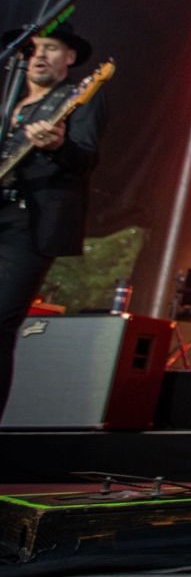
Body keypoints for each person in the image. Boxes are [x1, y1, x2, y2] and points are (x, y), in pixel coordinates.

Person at [0, 26, 104, 419]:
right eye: (33, 48)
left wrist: (59, 145)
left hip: (27, 223)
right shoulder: (8, 102)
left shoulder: (77, 98)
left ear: (70, 58)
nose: (39, 55)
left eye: (50, 48)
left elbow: (87, 159)